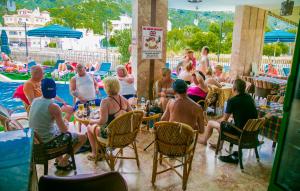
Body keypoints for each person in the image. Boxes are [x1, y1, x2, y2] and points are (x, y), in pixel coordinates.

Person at [29, 78, 86, 170]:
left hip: (35, 140)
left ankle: (59, 158)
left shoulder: (35, 101)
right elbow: (65, 131)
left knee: (60, 126)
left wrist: (63, 122)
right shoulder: (53, 107)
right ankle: (63, 162)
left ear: (41, 89)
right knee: (83, 137)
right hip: (47, 143)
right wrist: (65, 123)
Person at [199, 79, 258, 147]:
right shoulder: (249, 97)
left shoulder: (232, 101)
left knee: (210, 123)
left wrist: (215, 120)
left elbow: (224, 120)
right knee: (228, 121)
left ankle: (204, 141)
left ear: (234, 89)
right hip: (251, 132)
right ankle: (220, 145)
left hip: (239, 132)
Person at [86, 76, 132, 160]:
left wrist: (91, 120)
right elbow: (131, 114)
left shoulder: (105, 101)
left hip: (111, 136)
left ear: (107, 87)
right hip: (124, 134)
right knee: (99, 127)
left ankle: (95, 153)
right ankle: (102, 151)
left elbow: (103, 121)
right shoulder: (124, 99)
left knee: (89, 127)